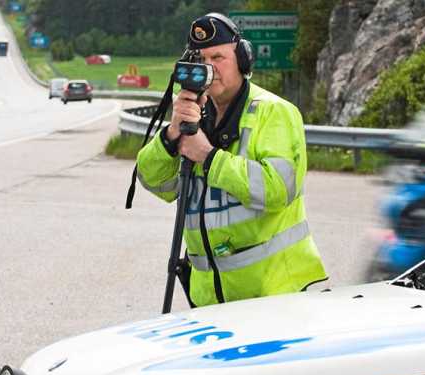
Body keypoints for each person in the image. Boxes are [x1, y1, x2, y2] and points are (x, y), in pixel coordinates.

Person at [135, 13, 327, 307]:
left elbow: (277, 190)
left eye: (218, 57)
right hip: (208, 299)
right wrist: (172, 133)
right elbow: (154, 181)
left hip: (272, 293)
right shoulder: (194, 116)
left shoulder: (274, 112)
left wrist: (208, 157)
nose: (209, 68)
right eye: (201, 59)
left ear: (242, 60)